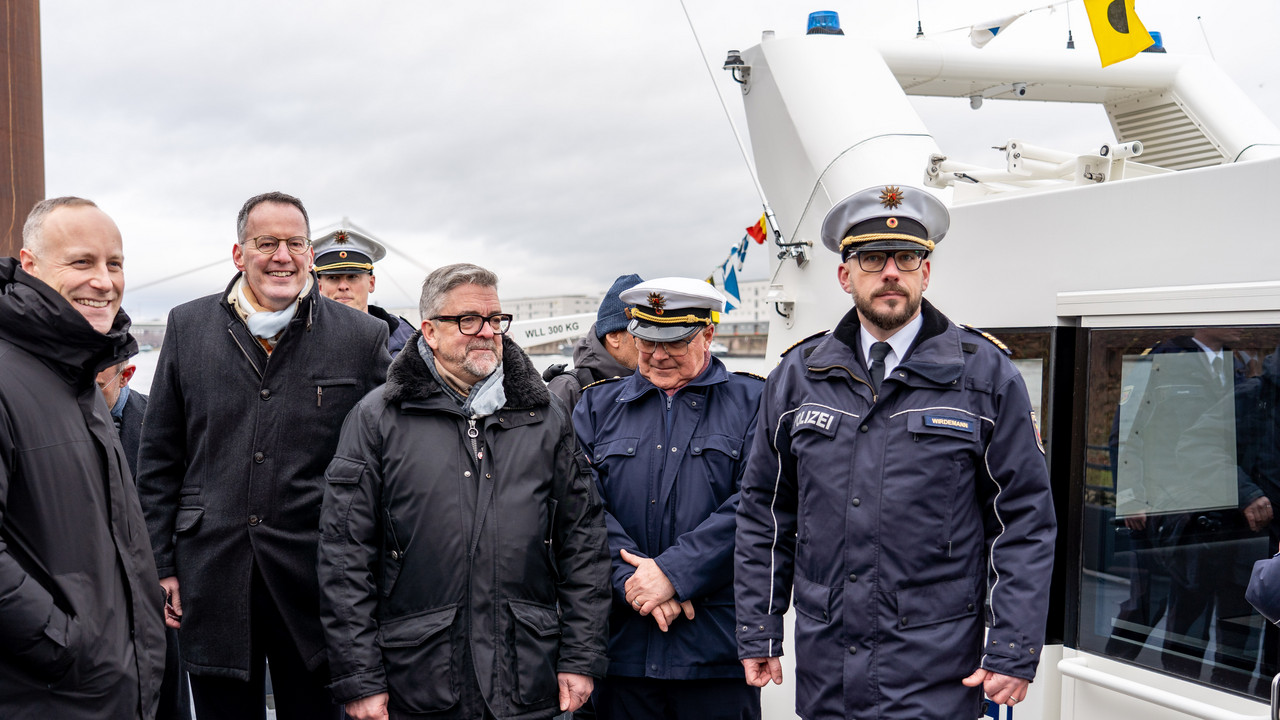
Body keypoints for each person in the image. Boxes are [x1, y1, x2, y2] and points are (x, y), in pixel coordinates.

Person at [734, 185, 1057, 719]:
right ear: (845, 275)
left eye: (907, 258)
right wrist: (758, 628)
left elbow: (1023, 521)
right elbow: (765, 515)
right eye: (872, 258)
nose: (891, 272)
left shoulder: (985, 376)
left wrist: (1013, 647)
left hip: (934, 667)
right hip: (827, 667)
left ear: (925, 273)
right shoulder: (797, 377)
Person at [136, 191, 391, 720]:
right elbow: (160, 457)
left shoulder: (363, 338)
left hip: (315, 579)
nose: (282, 256)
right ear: (238, 253)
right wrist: (162, 565)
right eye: (266, 243)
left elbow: (385, 463)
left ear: (309, 254)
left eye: (295, 243)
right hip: (211, 573)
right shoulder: (188, 326)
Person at [318, 263, 610, 720]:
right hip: (417, 677)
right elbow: (344, 556)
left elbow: (584, 541)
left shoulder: (544, 415)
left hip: (526, 671)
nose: (487, 332)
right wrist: (360, 678)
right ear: (430, 331)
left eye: (495, 320)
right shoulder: (378, 418)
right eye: (469, 320)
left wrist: (581, 657)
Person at [0, 196, 165, 719]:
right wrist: (66, 644)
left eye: (113, 264)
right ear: (30, 265)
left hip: (108, 686)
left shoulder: (77, 375)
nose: (104, 281)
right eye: (81, 262)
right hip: (49, 691)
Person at [573, 277, 764, 720]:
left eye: (674, 342)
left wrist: (673, 574)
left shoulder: (755, 401)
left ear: (708, 334)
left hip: (714, 652)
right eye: (646, 341)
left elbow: (756, 504)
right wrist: (637, 584)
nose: (657, 355)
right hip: (622, 650)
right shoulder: (596, 408)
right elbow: (579, 507)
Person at [96, 359, 194, 720]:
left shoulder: (164, 421)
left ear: (126, 376)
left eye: (96, 384)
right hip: (90, 600)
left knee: (168, 703)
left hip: (157, 594)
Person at [544, 273, 644, 411]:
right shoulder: (568, 390)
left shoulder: (655, 384)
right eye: (642, 334)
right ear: (614, 336)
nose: (654, 342)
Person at [312, 227, 416, 356]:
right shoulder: (299, 334)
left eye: (352, 277)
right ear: (319, 286)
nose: (343, 286)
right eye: (333, 278)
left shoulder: (404, 337)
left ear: (371, 283)